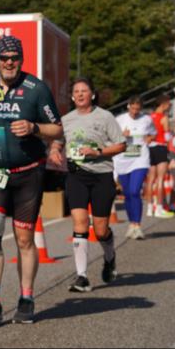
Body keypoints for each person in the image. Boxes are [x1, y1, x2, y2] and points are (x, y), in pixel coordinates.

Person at [0, 35, 62, 326]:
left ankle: (26, 297)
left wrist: (34, 127)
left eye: (14, 58)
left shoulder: (36, 89)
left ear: (21, 59)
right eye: (4, 57)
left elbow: (56, 129)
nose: (9, 62)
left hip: (28, 172)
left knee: (24, 238)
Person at [49, 77, 126, 292]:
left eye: (84, 91)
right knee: (80, 222)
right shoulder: (66, 119)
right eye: (77, 91)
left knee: (101, 230)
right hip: (76, 175)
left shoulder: (105, 116)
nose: (81, 94)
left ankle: (109, 257)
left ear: (92, 94)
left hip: (101, 176)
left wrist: (98, 152)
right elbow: (58, 140)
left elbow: (121, 145)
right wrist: (55, 150)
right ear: (72, 96)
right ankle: (81, 276)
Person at [113, 96, 155, 240]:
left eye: (138, 109)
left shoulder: (146, 119)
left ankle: (137, 225)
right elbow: (111, 138)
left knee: (135, 190)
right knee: (127, 193)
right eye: (133, 108)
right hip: (123, 159)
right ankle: (132, 223)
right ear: (128, 106)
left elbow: (152, 134)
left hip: (140, 158)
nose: (135, 112)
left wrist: (149, 139)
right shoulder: (120, 120)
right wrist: (121, 135)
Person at [145, 94, 175, 218]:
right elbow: (167, 137)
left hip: (150, 148)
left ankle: (149, 207)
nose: (169, 107)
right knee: (160, 179)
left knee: (150, 180)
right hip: (161, 147)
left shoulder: (148, 117)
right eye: (168, 104)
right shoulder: (164, 118)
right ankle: (159, 207)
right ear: (163, 104)